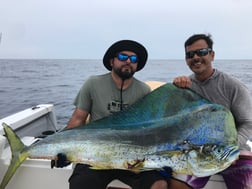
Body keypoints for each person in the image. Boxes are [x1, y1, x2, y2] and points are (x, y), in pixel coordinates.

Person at [59, 40, 169, 189]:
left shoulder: (144, 91)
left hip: (131, 159)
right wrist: (62, 149)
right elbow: (77, 120)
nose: (128, 61)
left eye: (134, 59)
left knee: (159, 184)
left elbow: (149, 130)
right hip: (95, 156)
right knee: (80, 184)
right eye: (123, 57)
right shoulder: (92, 83)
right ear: (112, 61)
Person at [172, 33, 252, 189]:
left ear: (212, 55)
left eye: (201, 52)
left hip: (234, 150)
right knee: (176, 184)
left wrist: (231, 148)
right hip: (198, 153)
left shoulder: (232, 85)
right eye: (190, 54)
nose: (196, 57)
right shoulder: (184, 87)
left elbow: (248, 123)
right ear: (186, 60)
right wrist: (175, 89)